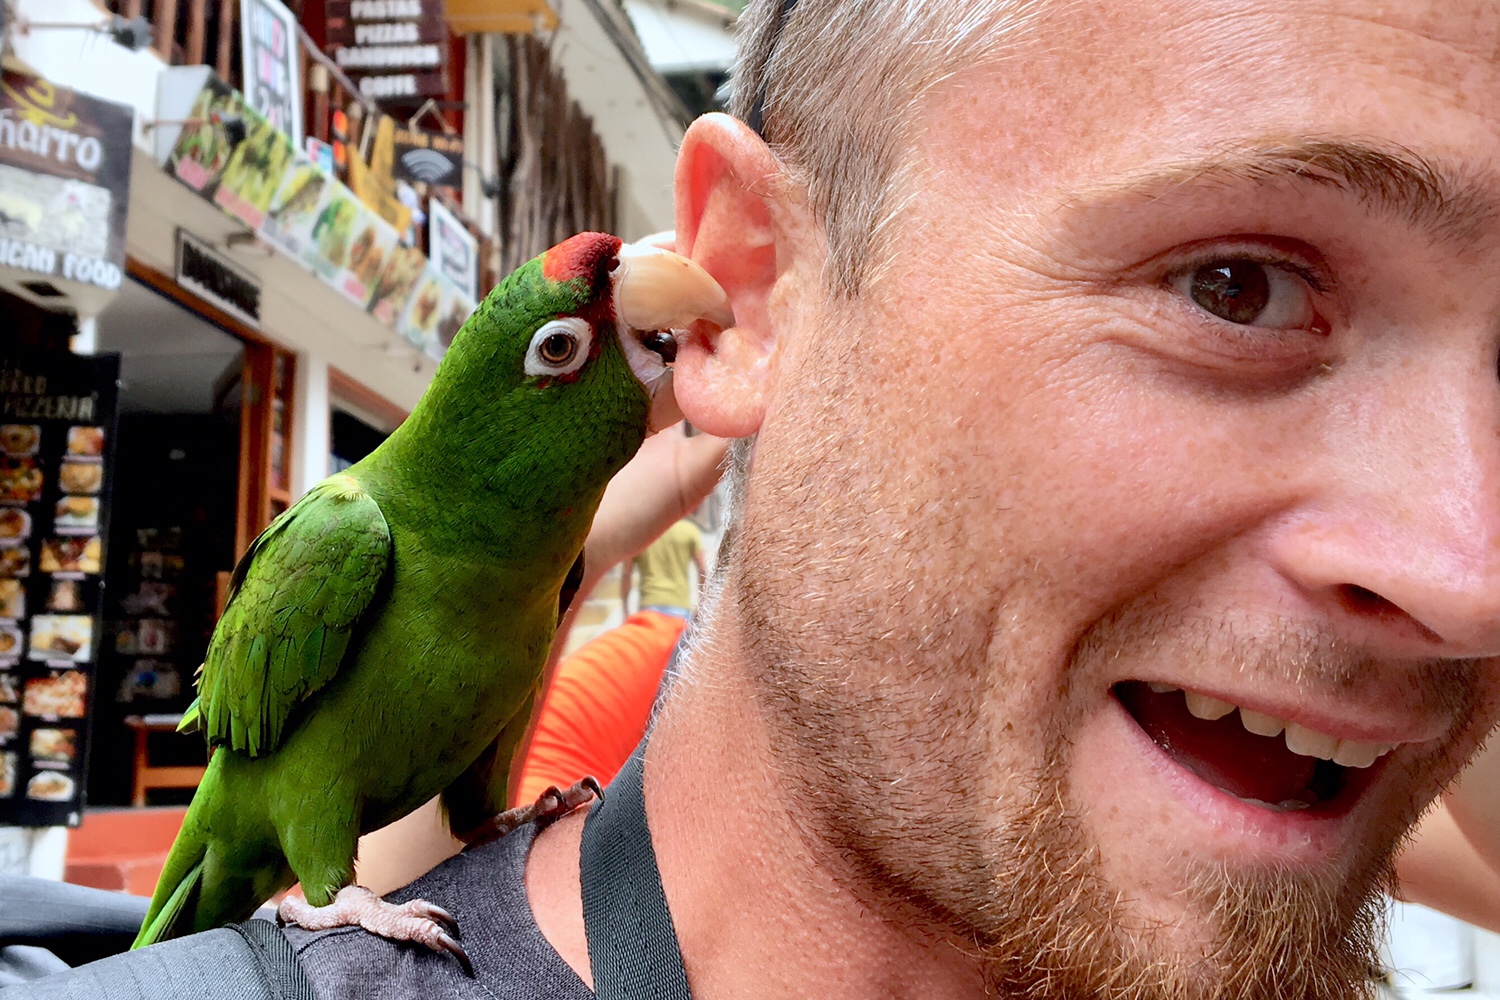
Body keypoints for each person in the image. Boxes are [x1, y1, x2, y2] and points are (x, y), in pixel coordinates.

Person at [10, 1, 1500, 998]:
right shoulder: (353, 538)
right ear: (758, 286)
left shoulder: (542, 579)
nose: (1471, 574)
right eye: (1234, 286)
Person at [620, 517, 705, 619]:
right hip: (679, 606)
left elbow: (626, 574)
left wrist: (625, 610)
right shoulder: (689, 530)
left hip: (649, 605)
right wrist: (701, 604)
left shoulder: (638, 534)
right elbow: (702, 569)